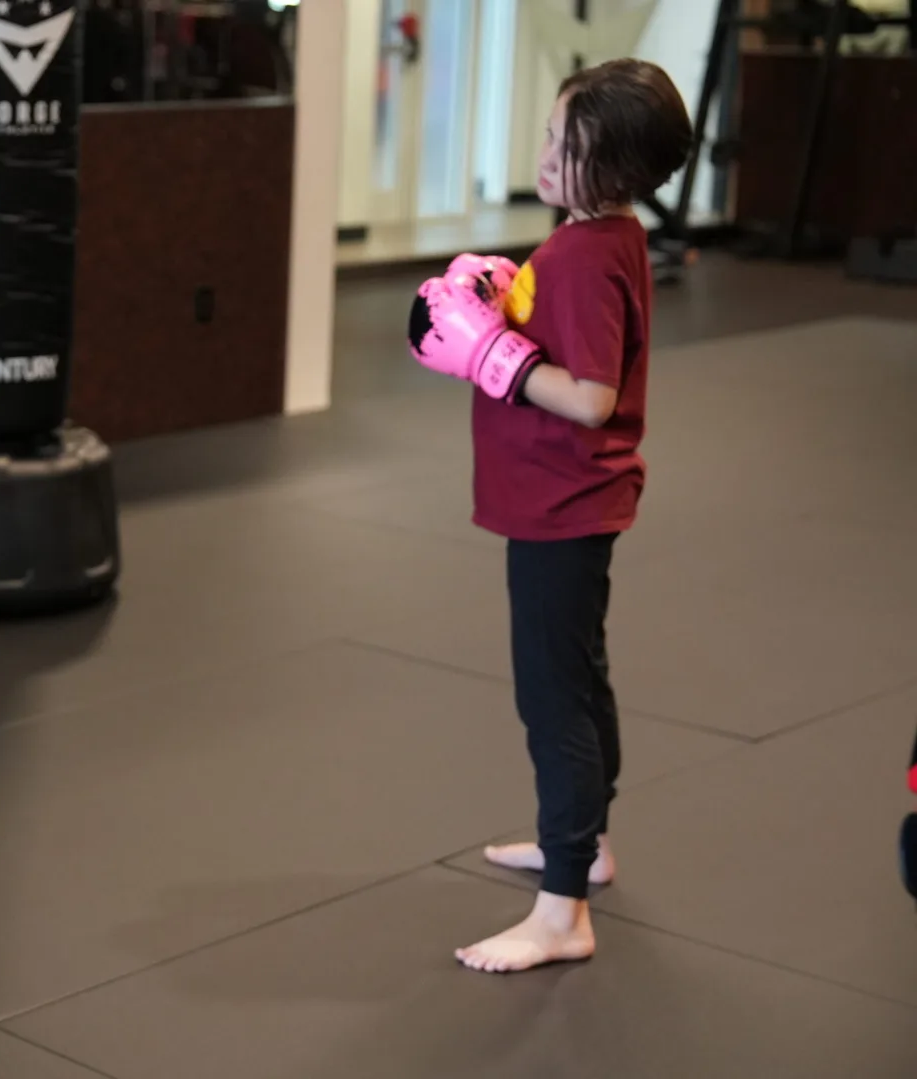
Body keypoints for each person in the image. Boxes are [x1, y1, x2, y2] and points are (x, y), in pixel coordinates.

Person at [406, 58, 692, 974]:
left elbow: (594, 395)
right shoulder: (608, 239)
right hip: (572, 500)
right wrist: (504, 299)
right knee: (579, 672)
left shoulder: (577, 254)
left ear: (607, 165)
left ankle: (563, 906)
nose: (544, 154)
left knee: (553, 694)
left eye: (561, 144)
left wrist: (496, 353)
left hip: (560, 502)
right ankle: (586, 844)